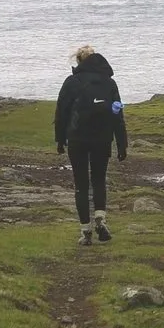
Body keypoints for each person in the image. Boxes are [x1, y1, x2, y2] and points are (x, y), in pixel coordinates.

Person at [53, 44, 129, 245]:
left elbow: (61, 112)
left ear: (79, 61)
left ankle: (86, 231)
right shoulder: (109, 83)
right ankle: (100, 219)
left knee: (81, 184)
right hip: (102, 138)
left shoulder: (71, 82)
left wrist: (60, 140)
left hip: (77, 138)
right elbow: (117, 113)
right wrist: (122, 143)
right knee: (99, 180)